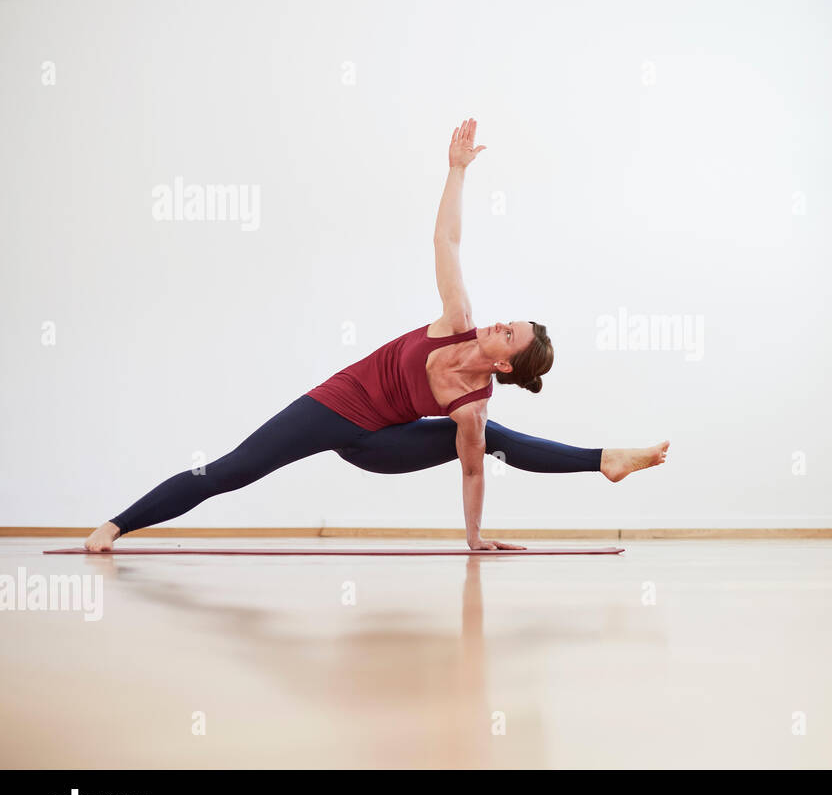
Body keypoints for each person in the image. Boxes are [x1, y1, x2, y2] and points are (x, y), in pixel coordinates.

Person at [85, 119, 668, 552]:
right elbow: (447, 242)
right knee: (233, 470)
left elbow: (472, 470)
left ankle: (603, 460)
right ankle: (114, 525)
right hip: (332, 407)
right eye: (507, 321)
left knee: (488, 436)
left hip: (380, 448)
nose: (498, 323)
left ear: (507, 364)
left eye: (508, 334)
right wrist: (457, 169)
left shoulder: (472, 407)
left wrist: (474, 537)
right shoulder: (458, 318)